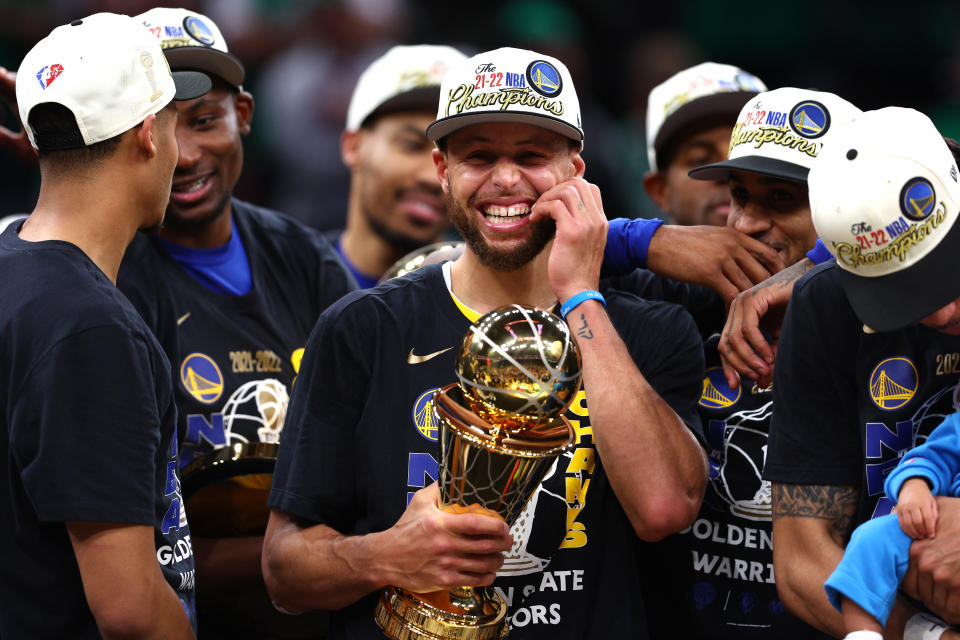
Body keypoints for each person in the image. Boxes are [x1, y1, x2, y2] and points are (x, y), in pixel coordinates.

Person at [261, 46, 709, 638]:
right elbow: (283, 570)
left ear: (575, 171)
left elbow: (664, 511)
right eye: (479, 157)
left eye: (531, 156)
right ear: (442, 169)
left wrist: (578, 294)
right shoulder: (362, 328)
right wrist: (386, 555)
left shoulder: (651, 329)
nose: (505, 179)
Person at [118, 8, 357, 637]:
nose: (186, 154)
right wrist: (311, 558)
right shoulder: (109, 279)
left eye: (204, 120)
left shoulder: (304, 257)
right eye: (159, 128)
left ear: (243, 115)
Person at [0, 12, 210, 638]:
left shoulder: (11, 260)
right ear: (148, 134)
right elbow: (129, 611)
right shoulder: (89, 326)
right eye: (176, 125)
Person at [635, 86, 860, 640]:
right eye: (739, 195)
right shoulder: (687, 302)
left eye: (782, 199)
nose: (744, 224)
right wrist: (648, 241)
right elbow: (523, 248)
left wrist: (818, 265)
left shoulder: (908, 322)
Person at [764, 106, 960, 639]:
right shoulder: (826, 304)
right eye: (903, 291)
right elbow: (803, 561)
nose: (940, 312)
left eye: (947, 272)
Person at [329, 44, 467, 288]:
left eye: (456, 156)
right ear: (353, 146)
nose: (433, 177)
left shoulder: (499, 305)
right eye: (411, 145)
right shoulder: (284, 282)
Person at [826, 411, 960, 640]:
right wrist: (914, 486)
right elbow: (928, 460)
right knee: (870, 538)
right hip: (939, 528)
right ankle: (863, 633)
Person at [644, 61, 766, 227]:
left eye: (746, 154)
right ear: (661, 191)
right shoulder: (605, 253)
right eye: (701, 159)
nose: (728, 171)